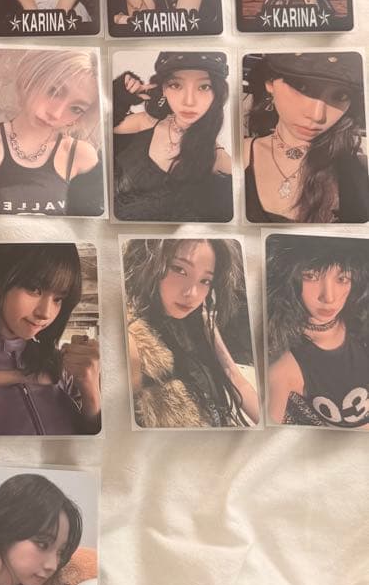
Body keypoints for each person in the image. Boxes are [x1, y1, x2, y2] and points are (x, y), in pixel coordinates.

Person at [122, 238, 260, 428]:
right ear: (150, 264)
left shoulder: (200, 322)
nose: (192, 293)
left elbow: (232, 375)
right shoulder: (133, 342)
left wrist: (269, 425)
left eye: (205, 280)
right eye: (179, 269)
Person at [0, 243, 100, 435]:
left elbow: (90, 440)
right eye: (34, 289)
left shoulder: (57, 364)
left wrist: (90, 391)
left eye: (58, 299)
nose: (46, 313)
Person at [243, 52, 369, 224]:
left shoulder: (357, 171)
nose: (317, 116)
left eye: (340, 96)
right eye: (302, 86)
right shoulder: (236, 156)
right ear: (270, 83)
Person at [112, 51, 233, 222]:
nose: (189, 101)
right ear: (163, 89)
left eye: (204, 87)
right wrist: (121, 96)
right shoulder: (147, 122)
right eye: (176, 85)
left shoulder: (220, 162)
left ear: (217, 93)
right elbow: (97, 130)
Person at [0, 49, 103, 216]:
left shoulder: (81, 156)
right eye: (54, 91)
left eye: (76, 108)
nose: (56, 114)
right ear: (29, 79)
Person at [266, 236, 369, 428]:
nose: (328, 297)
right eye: (311, 276)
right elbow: (264, 439)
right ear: (289, 279)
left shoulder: (361, 324)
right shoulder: (285, 367)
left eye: (342, 278)